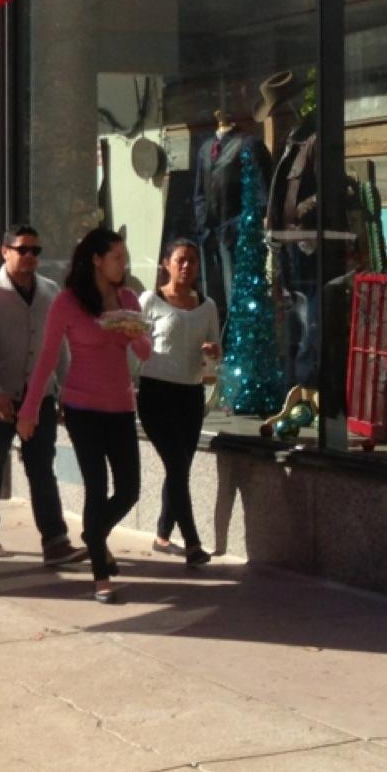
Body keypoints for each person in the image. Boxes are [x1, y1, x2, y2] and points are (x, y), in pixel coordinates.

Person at [20, 227, 151, 603]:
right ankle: (100, 576)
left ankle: (94, 535)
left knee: (128, 489)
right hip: (82, 408)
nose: (123, 265)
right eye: (117, 258)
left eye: (125, 259)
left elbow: (145, 353)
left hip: (121, 406)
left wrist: (132, 333)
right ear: (97, 259)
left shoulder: (127, 298)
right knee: (96, 485)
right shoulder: (68, 302)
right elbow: (46, 358)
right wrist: (29, 409)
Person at [0, 224, 86, 565]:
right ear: (5, 251)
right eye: (23, 250)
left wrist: (67, 390)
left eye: (36, 251)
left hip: (40, 396)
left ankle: (55, 540)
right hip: (0, 394)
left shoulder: (49, 292)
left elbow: (59, 347)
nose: (30, 257)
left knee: (41, 466)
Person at [139, 238, 220, 570]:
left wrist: (213, 352)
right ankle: (193, 544)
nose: (187, 267)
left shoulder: (207, 305)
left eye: (193, 262)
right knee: (175, 464)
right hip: (156, 393)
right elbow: (134, 343)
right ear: (166, 264)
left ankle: (162, 533)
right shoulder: (151, 300)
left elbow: (216, 347)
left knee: (180, 468)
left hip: (190, 394)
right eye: (181, 260)